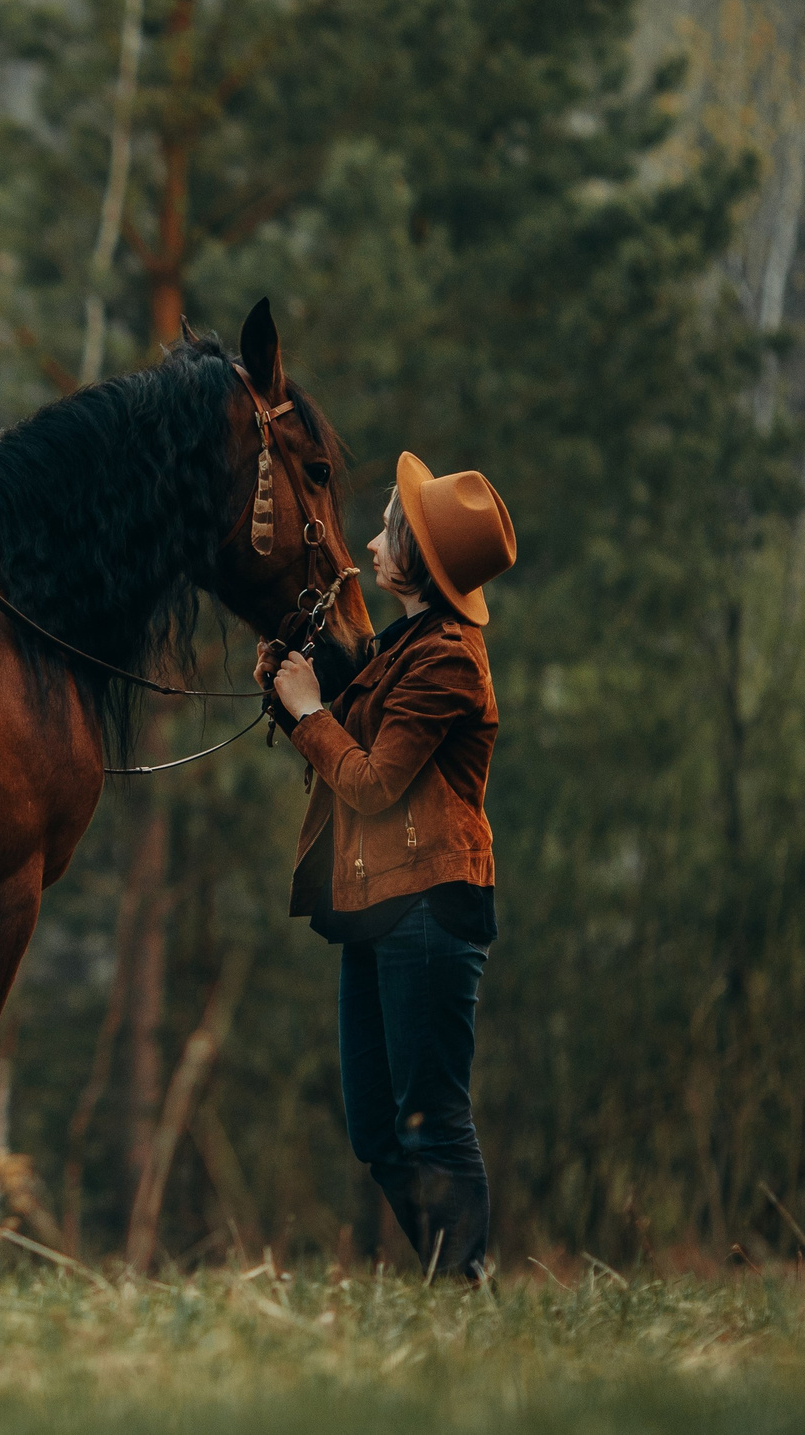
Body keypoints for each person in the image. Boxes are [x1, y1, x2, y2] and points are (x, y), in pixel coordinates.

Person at [257, 452, 517, 1282]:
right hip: (378, 909)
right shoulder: (401, 645)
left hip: (433, 909)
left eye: (387, 531)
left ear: (420, 560)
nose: (370, 542)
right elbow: (355, 704)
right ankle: (450, 1275)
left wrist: (308, 713)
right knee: (377, 1128)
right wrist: (292, 684)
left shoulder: (448, 660)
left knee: (432, 1118)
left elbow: (371, 782)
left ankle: (462, 1286)